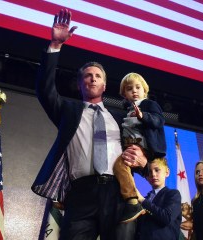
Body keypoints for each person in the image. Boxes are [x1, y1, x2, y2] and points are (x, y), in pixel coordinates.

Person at [31, 9, 148, 240]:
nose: (92, 78)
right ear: (80, 84)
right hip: (80, 193)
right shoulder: (68, 111)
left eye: (97, 76)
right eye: (87, 75)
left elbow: (141, 145)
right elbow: (45, 90)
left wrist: (143, 161)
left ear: (104, 86)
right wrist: (55, 45)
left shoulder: (120, 117)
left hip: (117, 192)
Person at [114, 72, 166, 223]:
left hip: (143, 146)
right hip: (129, 144)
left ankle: (132, 201)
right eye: (130, 89)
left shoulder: (148, 105)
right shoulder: (127, 111)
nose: (134, 91)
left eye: (138, 87)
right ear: (125, 94)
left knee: (119, 165)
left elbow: (159, 121)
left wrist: (143, 116)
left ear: (145, 90)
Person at [135, 158, 182, 240]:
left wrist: (142, 200)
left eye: (157, 170)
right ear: (147, 177)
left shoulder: (173, 194)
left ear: (167, 172)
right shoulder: (146, 199)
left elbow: (167, 218)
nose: (153, 174)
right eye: (150, 171)